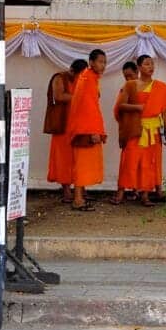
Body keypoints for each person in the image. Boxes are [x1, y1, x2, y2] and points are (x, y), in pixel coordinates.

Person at [112, 55, 166, 206]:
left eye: (152, 64)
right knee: (129, 161)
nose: (150, 67)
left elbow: (165, 110)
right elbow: (121, 106)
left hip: (153, 132)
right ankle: (120, 193)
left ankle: (145, 195)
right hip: (135, 129)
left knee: (149, 164)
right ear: (139, 67)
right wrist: (138, 108)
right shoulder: (130, 85)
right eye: (146, 64)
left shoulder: (160, 87)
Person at [66, 49, 108, 211]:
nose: (103, 65)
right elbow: (87, 108)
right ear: (91, 62)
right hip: (85, 128)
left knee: (82, 164)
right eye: (100, 61)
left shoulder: (88, 78)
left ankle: (80, 196)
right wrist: (93, 131)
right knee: (82, 165)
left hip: (84, 126)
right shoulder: (87, 79)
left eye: (105, 62)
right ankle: (77, 199)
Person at [46, 59, 89, 203]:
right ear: (72, 71)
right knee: (63, 159)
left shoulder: (82, 80)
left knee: (78, 158)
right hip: (63, 125)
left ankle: (80, 188)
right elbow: (58, 96)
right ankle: (66, 190)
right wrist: (80, 98)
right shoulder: (59, 77)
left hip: (77, 126)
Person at [110, 61, 140, 204]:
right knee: (128, 163)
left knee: (140, 164)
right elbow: (118, 109)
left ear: (137, 72)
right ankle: (120, 193)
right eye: (126, 76)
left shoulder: (145, 87)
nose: (128, 79)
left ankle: (136, 191)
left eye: (130, 75)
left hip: (144, 131)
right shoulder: (126, 88)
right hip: (130, 130)